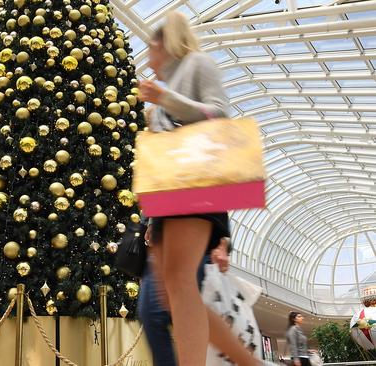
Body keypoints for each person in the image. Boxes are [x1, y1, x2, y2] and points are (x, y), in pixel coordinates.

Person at [138, 11, 275, 366]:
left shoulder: (198, 63)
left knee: (179, 284)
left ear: (165, 42)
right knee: (174, 292)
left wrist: (164, 99)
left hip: (195, 186)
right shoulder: (168, 84)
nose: (148, 55)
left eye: (151, 46)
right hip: (171, 193)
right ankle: (250, 364)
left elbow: (218, 115)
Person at [138, 236, 232, 366]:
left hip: (193, 246)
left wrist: (220, 243)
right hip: (163, 249)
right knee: (151, 314)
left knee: (190, 322)